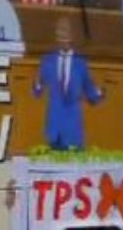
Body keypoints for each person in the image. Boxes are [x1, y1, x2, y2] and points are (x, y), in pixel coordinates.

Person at [33, 16, 104, 151]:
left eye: (65, 32)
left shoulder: (80, 63)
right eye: (59, 32)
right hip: (54, 127)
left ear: (72, 36)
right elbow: (38, 91)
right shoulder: (48, 61)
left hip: (73, 129)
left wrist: (99, 93)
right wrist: (36, 85)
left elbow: (90, 90)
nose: (62, 36)